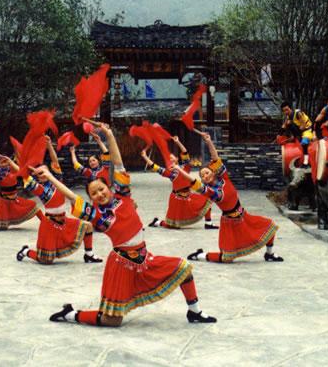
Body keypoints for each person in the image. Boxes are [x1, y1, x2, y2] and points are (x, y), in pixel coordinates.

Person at [46, 121, 216, 326]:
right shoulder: (98, 216)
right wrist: (49, 177)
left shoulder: (123, 195)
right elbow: (73, 197)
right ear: (91, 198)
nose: (99, 194)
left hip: (145, 259)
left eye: (101, 189)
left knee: (184, 269)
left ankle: (195, 312)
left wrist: (109, 135)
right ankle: (70, 314)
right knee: (112, 321)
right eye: (94, 193)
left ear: (108, 187)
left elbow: (118, 164)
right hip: (121, 265)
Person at [173, 131, 283, 264]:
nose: (205, 176)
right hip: (229, 224)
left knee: (270, 227)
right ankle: (201, 255)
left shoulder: (224, 178)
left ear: (213, 172)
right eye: (202, 176)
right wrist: (179, 170)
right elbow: (193, 182)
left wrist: (209, 142)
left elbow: (215, 158)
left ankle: (269, 254)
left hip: (244, 216)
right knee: (227, 258)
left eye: (206, 172)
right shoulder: (212, 192)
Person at [15, 136, 102, 264]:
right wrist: (20, 160)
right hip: (49, 224)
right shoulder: (40, 189)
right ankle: (26, 251)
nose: (42, 173)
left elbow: (55, 160)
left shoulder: (57, 181)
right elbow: (23, 174)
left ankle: (89, 255)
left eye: (44, 170)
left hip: (63, 220)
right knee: (46, 260)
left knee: (88, 226)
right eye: (39, 172)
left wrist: (49, 145)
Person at [142, 136, 217, 230]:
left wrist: (178, 142)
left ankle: (208, 223)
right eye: (169, 159)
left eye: (172, 158)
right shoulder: (170, 173)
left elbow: (185, 152)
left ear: (177, 158)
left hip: (188, 195)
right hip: (176, 199)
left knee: (206, 200)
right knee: (173, 226)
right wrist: (145, 157)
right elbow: (155, 167)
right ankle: (157, 222)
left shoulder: (185, 167)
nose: (170, 159)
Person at [278, 101, 314, 167]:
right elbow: (284, 126)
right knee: (288, 124)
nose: (286, 112)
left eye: (287, 110)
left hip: (307, 130)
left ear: (290, 108)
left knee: (304, 143)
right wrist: (279, 135)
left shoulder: (298, 113)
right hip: (300, 131)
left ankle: (306, 163)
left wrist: (297, 133)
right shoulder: (288, 117)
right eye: (284, 111)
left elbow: (302, 127)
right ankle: (294, 137)